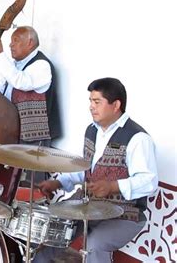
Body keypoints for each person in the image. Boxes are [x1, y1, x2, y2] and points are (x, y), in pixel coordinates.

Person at [36, 78, 158, 263]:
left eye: (97, 102)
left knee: (95, 244)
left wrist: (112, 186)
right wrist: (59, 182)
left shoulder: (138, 138)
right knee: (53, 229)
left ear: (116, 105)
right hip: (89, 206)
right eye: (90, 102)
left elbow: (149, 181)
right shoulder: (91, 131)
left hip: (125, 214)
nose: (91, 107)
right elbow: (85, 168)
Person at [0, 26, 61, 183]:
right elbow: (0, 89)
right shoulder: (14, 65)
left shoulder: (42, 65)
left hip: (32, 137)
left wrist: (0, 55)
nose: (10, 45)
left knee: (30, 185)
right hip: (11, 132)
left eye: (16, 41)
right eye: (10, 41)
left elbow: (21, 82)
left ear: (30, 42)